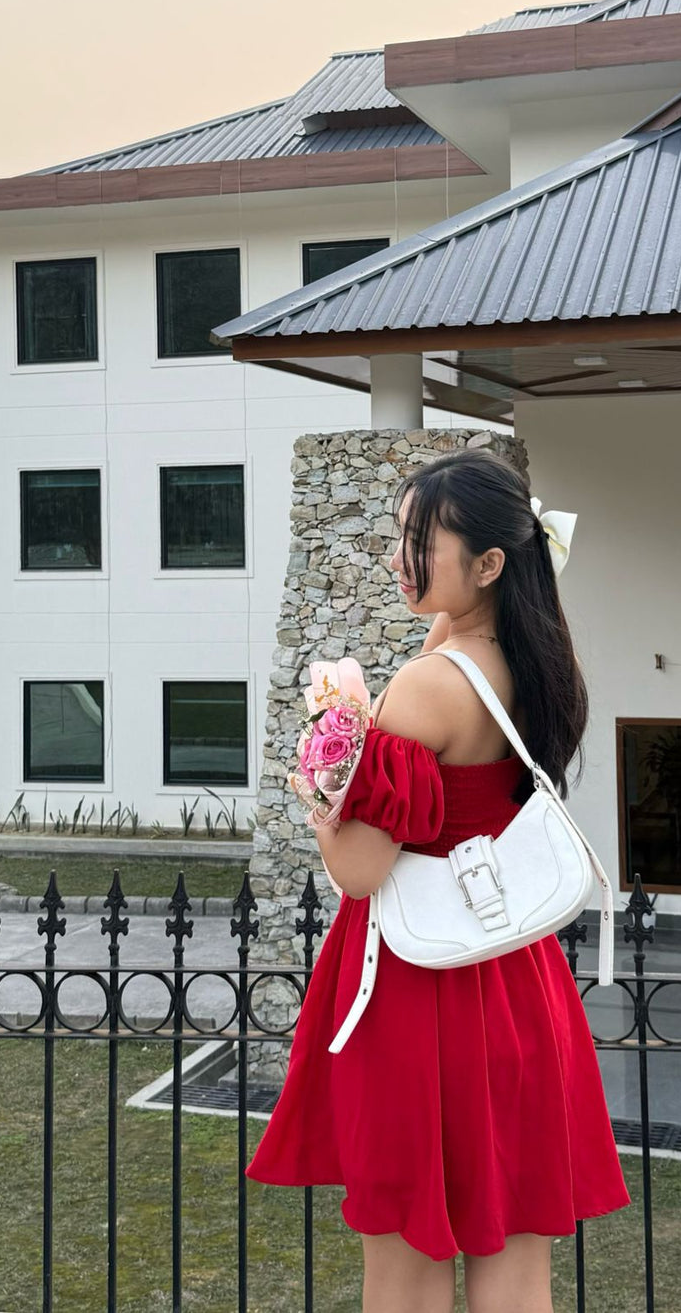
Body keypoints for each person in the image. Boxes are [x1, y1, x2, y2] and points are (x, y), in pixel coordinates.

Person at [245, 447, 630, 1313]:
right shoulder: (530, 666)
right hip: (516, 982)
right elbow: (452, 650)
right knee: (516, 1253)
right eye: (398, 535)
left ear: (488, 564)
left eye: (419, 539)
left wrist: (321, 787)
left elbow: (359, 870)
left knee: (410, 1262)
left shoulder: (425, 690)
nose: (397, 557)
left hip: (416, 992)